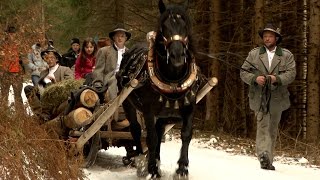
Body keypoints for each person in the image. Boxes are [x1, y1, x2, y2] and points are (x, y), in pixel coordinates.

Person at [240, 23, 296, 170]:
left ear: (276, 38)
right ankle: (263, 156)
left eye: (270, 36)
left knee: (272, 128)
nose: (267, 38)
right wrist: (254, 79)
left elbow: (291, 74)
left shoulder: (286, 55)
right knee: (262, 125)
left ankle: (268, 158)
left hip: (278, 97)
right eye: (265, 36)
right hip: (259, 96)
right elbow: (243, 72)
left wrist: (276, 79)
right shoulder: (254, 54)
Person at [24, 46, 74, 122]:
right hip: (44, 99)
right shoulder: (43, 73)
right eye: (47, 58)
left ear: (57, 59)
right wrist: (42, 84)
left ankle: (46, 114)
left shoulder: (65, 70)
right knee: (28, 88)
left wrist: (55, 83)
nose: (49, 60)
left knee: (49, 84)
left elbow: (70, 86)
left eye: (52, 58)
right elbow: (39, 89)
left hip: (59, 99)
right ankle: (40, 114)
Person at [92, 24, 131, 100]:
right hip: (110, 80)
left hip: (126, 80)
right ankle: (114, 107)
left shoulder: (129, 53)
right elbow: (99, 70)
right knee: (114, 80)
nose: (120, 38)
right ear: (113, 37)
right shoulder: (104, 51)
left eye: (122, 36)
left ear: (126, 38)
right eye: (117, 36)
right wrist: (98, 83)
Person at [0, 26, 24, 109]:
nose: (12, 35)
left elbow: (22, 59)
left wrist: (22, 71)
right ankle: (3, 115)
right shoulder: (2, 45)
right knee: (4, 94)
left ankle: (21, 116)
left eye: (13, 34)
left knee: (18, 95)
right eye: (10, 34)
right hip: (5, 73)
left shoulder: (20, 45)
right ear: (7, 34)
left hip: (17, 73)